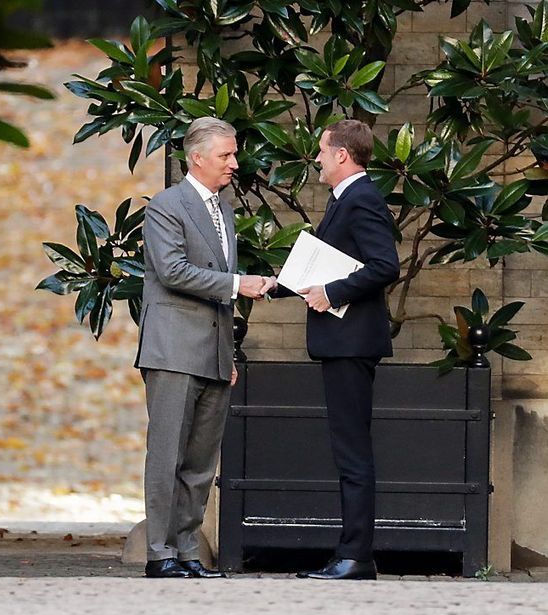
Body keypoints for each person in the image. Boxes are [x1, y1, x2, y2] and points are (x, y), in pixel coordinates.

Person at [263, 119, 400, 580]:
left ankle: (355, 556)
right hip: (343, 343)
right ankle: (353, 553)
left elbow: (386, 266)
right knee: (349, 450)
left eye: (322, 150)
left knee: (352, 452)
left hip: (350, 342)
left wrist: (334, 293)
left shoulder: (361, 198)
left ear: (342, 154)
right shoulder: (347, 199)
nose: (317, 158)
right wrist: (273, 286)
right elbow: (321, 265)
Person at [136, 117, 269, 578]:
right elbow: (172, 271)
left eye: (233, 154)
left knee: (200, 462)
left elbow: (215, 291)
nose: (234, 163)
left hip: (212, 352)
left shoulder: (224, 210)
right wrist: (239, 283)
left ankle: (189, 552)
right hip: (172, 350)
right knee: (167, 455)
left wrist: (227, 355)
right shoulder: (166, 206)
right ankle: (160, 554)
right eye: (225, 155)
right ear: (197, 158)